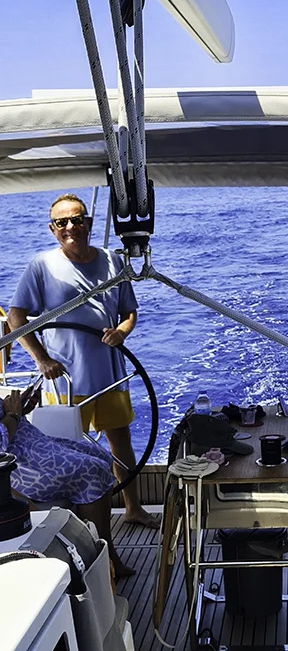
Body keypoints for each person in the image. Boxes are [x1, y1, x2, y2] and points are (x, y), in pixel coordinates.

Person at [8, 193, 159, 529]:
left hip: (110, 374)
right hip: (63, 382)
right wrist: (41, 359)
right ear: (52, 229)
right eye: (62, 222)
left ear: (88, 224)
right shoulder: (41, 267)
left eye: (76, 219)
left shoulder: (112, 261)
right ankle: (76, 522)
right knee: (70, 452)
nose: (70, 227)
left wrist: (122, 331)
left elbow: (129, 312)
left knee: (120, 442)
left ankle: (133, 507)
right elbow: (16, 319)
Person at [0, 385, 134, 577]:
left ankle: (101, 550)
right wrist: (12, 414)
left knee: (101, 455)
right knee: (92, 472)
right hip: (16, 465)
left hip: (32, 444)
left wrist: (21, 409)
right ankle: (96, 561)